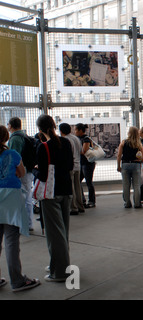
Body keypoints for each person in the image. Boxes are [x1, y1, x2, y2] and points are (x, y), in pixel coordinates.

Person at [0, 125, 41, 292]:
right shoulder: (12, 154)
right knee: (11, 240)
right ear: (5, 137)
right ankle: (17, 281)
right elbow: (22, 172)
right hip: (11, 198)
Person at [33, 115, 74, 282]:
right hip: (66, 191)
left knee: (54, 234)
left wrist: (35, 169)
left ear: (40, 130)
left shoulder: (43, 147)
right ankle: (59, 264)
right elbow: (70, 166)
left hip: (51, 193)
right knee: (63, 231)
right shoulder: (66, 143)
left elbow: (42, 175)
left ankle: (60, 272)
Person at [7, 117, 34, 231]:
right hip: (29, 171)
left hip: (20, 173)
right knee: (28, 198)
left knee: (21, 199)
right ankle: (29, 224)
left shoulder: (15, 139)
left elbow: (14, 159)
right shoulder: (25, 136)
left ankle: (22, 223)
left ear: (11, 126)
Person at [117, 126, 143, 208]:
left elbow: (119, 155)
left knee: (126, 185)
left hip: (125, 164)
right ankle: (137, 203)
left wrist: (118, 166)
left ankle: (127, 203)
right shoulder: (139, 144)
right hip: (136, 165)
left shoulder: (123, 142)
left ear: (129, 133)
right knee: (136, 185)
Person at [59, 123, 84, 216]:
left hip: (70, 166)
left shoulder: (65, 140)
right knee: (78, 186)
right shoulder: (76, 138)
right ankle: (80, 206)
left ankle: (73, 208)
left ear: (61, 131)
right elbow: (81, 151)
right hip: (78, 165)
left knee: (71, 187)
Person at [74, 123, 96, 209]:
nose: (75, 132)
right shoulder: (78, 138)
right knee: (78, 181)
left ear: (80, 130)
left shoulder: (86, 139)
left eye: (76, 130)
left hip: (88, 163)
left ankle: (91, 201)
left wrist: (74, 151)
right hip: (81, 163)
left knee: (89, 182)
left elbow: (84, 151)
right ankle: (82, 200)